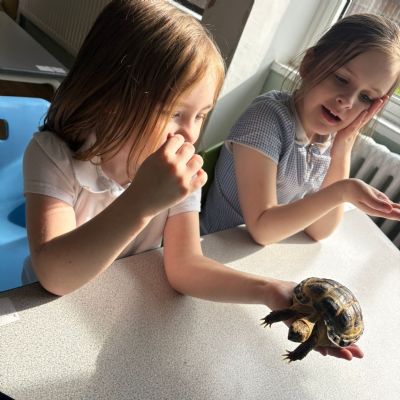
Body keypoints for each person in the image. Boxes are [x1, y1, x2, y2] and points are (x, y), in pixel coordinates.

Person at [23, 0, 362, 360]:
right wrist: (141, 201)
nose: (190, 133)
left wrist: (270, 290)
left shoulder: (182, 174)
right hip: (41, 317)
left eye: (200, 116)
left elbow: (184, 267)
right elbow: (55, 277)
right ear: (112, 99)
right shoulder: (55, 156)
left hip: (115, 318)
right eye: (176, 114)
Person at [201, 13, 400, 245]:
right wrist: (343, 191)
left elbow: (319, 230)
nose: (347, 101)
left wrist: (344, 144)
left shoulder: (326, 140)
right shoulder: (267, 118)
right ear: (309, 63)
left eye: (366, 97)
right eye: (341, 79)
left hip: (257, 257)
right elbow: (262, 229)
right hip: (212, 249)